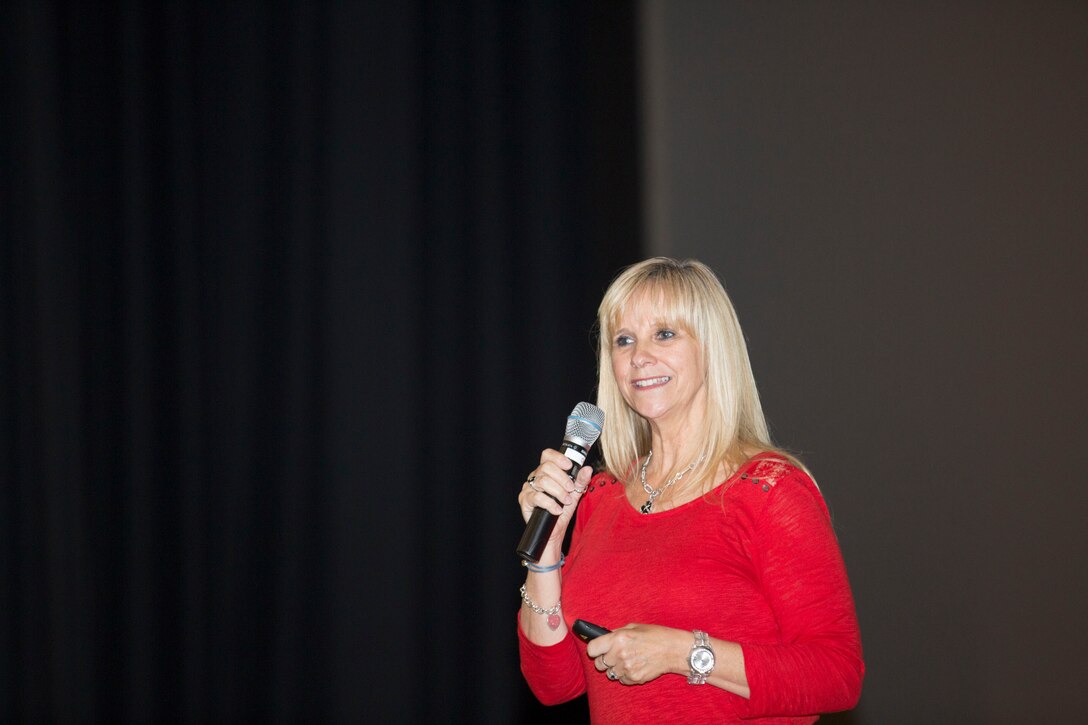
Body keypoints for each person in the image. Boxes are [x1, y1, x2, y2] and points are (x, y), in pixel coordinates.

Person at [516, 257, 863, 723]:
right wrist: (545, 556)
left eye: (665, 334)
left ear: (711, 349)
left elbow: (837, 675)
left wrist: (684, 653)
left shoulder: (769, 490)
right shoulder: (600, 496)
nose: (639, 356)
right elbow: (555, 685)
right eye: (624, 340)